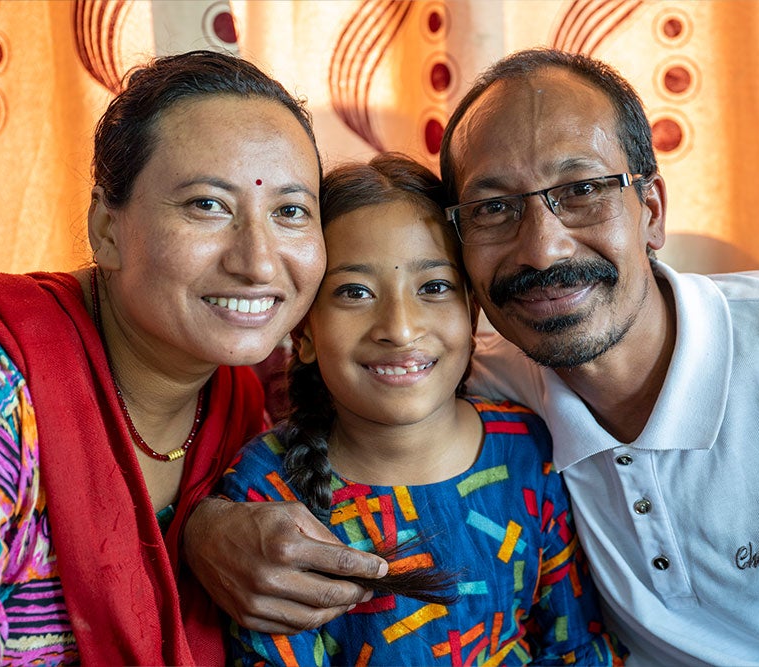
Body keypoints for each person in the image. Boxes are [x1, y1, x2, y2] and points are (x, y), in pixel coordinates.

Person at [435, 48, 759, 666]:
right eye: (493, 208)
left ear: (651, 212)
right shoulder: (471, 382)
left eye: (583, 190)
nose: (543, 249)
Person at [0, 50, 384, 665]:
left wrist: (201, 525)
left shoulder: (254, 401)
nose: (257, 262)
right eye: (207, 205)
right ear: (105, 228)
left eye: (289, 212)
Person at [220, 153, 625, 666]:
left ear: (472, 313)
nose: (400, 327)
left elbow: (574, 644)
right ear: (303, 333)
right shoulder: (266, 488)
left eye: (433, 288)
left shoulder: (529, 449)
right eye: (355, 292)